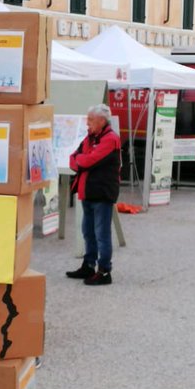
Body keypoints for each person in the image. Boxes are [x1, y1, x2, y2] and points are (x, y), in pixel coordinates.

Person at [66, 103, 121, 286]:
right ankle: (89, 265)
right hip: (88, 191)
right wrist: (79, 161)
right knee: (88, 232)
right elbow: (73, 158)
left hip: (102, 193)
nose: (87, 123)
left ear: (101, 120)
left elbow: (88, 160)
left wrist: (80, 161)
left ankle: (104, 271)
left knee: (101, 234)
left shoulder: (110, 139)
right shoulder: (91, 138)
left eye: (90, 119)